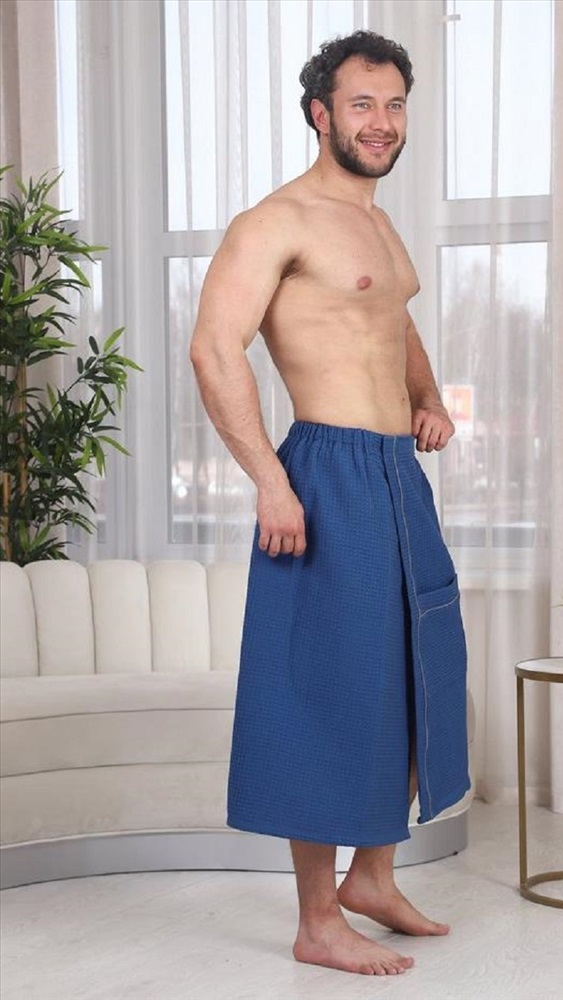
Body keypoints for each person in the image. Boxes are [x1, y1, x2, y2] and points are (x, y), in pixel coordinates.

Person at [190, 30, 469, 977]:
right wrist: (271, 481)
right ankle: (317, 920)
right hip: (324, 469)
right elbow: (213, 348)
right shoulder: (274, 221)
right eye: (361, 104)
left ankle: (372, 879)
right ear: (320, 114)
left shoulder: (379, 228)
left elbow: (392, 320)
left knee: (413, 666)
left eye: (393, 104)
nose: (381, 122)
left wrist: (426, 398)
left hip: (395, 471)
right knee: (324, 684)